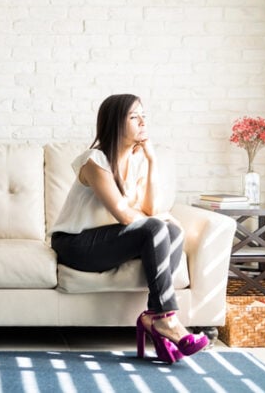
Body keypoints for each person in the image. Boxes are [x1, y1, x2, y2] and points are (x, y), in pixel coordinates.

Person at [49, 94, 208, 364]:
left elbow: (151, 209)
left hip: (110, 242)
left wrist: (152, 161)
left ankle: (154, 317)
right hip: (75, 244)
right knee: (159, 227)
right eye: (134, 117)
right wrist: (160, 219)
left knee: (173, 232)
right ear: (115, 124)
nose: (143, 121)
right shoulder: (95, 160)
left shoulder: (137, 161)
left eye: (144, 115)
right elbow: (123, 214)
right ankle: (166, 319)